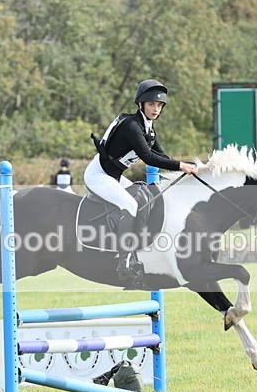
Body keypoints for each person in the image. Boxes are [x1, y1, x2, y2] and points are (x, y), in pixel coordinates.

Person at [84, 79, 198, 288]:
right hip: (97, 175)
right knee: (130, 205)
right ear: (140, 105)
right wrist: (180, 165)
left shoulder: (149, 129)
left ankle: (139, 251)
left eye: (159, 105)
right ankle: (124, 260)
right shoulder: (132, 126)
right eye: (151, 105)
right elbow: (148, 157)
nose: (156, 109)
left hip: (114, 176)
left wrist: (191, 167)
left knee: (144, 199)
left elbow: (161, 155)